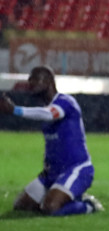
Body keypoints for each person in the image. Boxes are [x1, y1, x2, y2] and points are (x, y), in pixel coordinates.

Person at [0, 66, 103, 216]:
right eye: (30, 79)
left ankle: (88, 205)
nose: (30, 83)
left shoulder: (66, 102)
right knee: (22, 206)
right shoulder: (44, 109)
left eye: (35, 79)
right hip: (52, 172)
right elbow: (52, 142)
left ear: (49, 81)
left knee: (51, 208)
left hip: (76, 169)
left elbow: (50, 114)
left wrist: (15, 110)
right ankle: (64, 196)